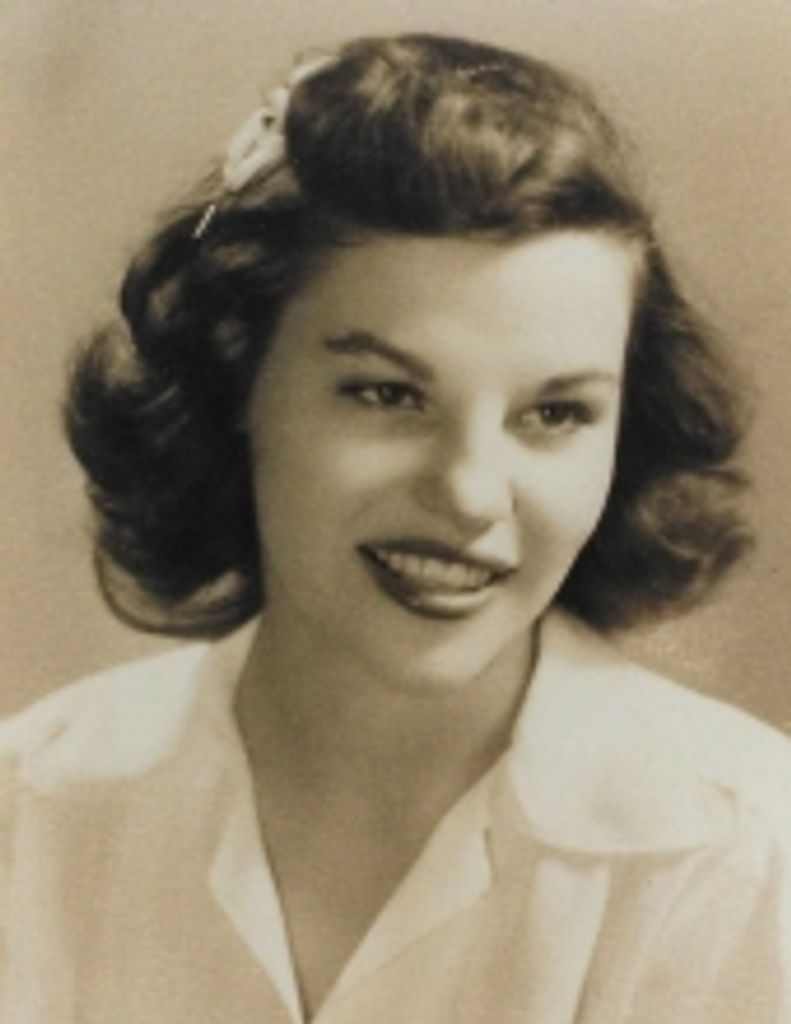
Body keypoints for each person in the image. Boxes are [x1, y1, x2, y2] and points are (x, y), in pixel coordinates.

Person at [2, 31, 790, 1023]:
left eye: (554, 414)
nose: (469, 494)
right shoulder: (32, 807)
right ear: (239, 373)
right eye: (387, 394)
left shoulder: (744, 854)